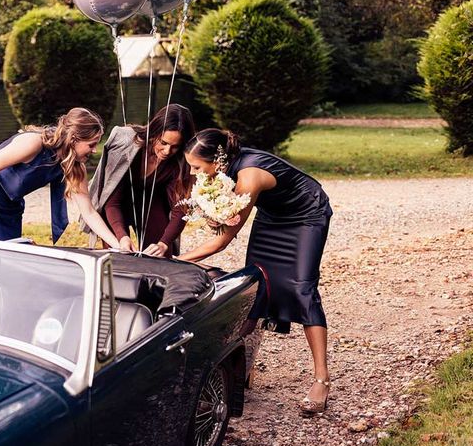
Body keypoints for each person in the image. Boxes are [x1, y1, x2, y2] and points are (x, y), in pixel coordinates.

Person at [179, 129, 333, 415]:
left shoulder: (249, 177)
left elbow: (222, 241)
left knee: (302, 289)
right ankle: (236, 369)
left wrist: (177, 260)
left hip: (306, 215)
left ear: (217, 161)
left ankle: (321, 380)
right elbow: (221, 224)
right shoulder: (225, 172)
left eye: (196, 167)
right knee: (257, 284)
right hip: (274, 217)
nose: (192, 173)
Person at [0, 107, 122, 248]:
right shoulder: (33, 143)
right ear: (74, 139)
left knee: (10, 255)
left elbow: (88, 212)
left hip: (11, 205)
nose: (95, 150)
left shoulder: (75, 166)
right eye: (91, 144)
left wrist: (117, 245)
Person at [86, 104, 196, 256]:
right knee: (118, 254)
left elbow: (181, 208)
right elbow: (111, 200)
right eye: (163, 143)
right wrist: (122, 236)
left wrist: (164, 243)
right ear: (154, 132)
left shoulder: (181, 162)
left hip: (153, 203)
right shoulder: (126, 145)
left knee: (159, 256)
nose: (167, 151)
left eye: (175, 146)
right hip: (116, 205)